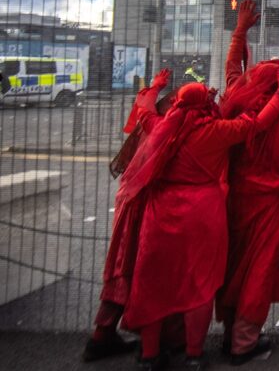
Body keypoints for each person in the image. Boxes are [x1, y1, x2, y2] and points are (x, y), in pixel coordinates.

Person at [120, 70, 279, 371]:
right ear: (204, 106)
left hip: (159, 214)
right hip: (201, 213)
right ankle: (193, 354)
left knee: (153, 284)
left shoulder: (161, 127)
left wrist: (155, 88)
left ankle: (150, 354)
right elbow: (257, 123)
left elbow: (144, 109)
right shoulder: (214, 133)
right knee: (199, 287)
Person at [215, 0, 279, 364]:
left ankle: (228, 335)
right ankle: (243, 343)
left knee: (234, 266)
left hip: (237, 199)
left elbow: (231, 67)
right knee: (257, 271)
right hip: (269, 203)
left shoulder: (238, 99)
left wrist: (240, 30)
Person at [82, 69, 172, 363]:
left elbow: (143, 106)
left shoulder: (149, 125)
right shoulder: (165, 130)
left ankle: (103, 334)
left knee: (121, 271)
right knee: (137, 272)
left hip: (129, 200)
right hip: (142, 209)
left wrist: (155, 87)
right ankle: (148, 345)